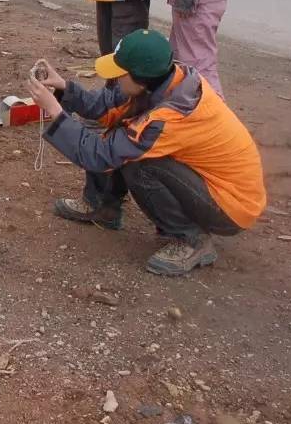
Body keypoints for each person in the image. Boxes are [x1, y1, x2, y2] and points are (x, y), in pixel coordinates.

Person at [23, 29, 265, 276]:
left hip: (231, 206)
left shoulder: (173, 113)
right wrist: (63, 87)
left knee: (139, 165)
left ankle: (191, 240)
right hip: (209, 183)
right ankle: (103, 207)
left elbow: (99, 156)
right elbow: (104, 106)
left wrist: (54, 110)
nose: (115, 79)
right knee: (119, 133)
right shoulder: (161, 80)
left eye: (120, 73)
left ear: (139, 78)